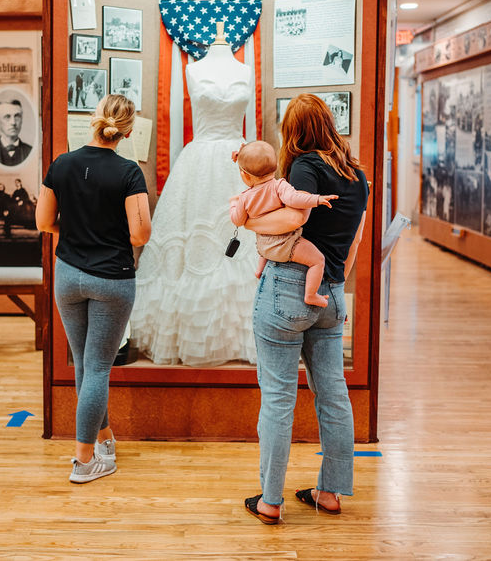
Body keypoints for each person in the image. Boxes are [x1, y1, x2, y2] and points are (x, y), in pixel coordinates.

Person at [240, 93, 370, 525]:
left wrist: (247, 222)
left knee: (278, 397)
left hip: (286, 291)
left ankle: (271, 501)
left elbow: (293, 220)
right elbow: (355, 242)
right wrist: (336, 283)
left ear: (292, 131)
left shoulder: (303, 168)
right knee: (333, 394)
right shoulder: (357, 175)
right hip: (331, 289)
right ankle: (329, 493)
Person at [35, 93, 151, 483]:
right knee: (99, 367)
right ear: (128, 131)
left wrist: (75, 233)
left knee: (86, 365)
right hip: (112, 277)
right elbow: (141, 234)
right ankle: (85, 462)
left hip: (68, 273)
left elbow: (43, 221)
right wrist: (111, 238)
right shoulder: (129, 171)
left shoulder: (62, 164)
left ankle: (104, 440)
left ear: (93, 120)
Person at [130, 26, 260, 366]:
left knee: (238, 244)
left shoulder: (245, 71)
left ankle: (237, 335)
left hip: (237, 161)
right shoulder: (193, 68)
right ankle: (185, 333)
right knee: (193, 247)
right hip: (199, 162)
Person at [228, 140, 337, 307]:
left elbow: (238, 220)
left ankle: (259, 270)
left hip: (264, 247)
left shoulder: (245, 198)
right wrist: (317, 199)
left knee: (266, 234)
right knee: (318, 260)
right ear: (276, 164)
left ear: (245, 175)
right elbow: (295, 199)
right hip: (286, 245)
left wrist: (233, 204)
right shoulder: (279, 186)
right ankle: (311, 294)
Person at [0, 98, 33, 166]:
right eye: (7, 117)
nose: (13, 122)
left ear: (22, 120)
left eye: (17, 116)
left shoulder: (31, 151)